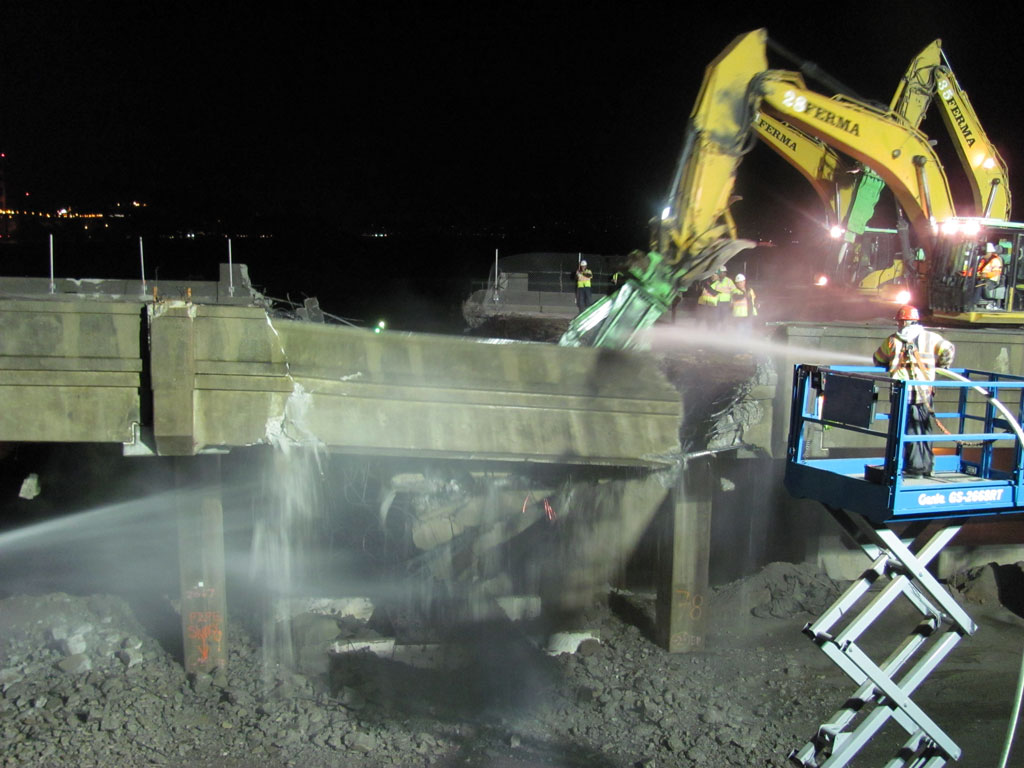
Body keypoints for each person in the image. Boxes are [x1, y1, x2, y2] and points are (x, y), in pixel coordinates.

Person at [872, 305, 955, 478]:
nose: (899, 325)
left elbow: (878, 359)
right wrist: (941, 365)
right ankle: (926, 467)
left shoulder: (892, 341)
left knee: (905, 431)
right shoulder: (931, 338)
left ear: (903, 322)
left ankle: (913, 469)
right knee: (924, 429)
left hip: (902, 395)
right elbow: (948, 349)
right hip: (924, 394)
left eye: (900, 322)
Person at [974, 242, 1004, 309]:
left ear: (990, 252)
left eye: (985, 253)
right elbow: (976, 270)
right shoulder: (983, 260)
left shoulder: (996, 261)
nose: (983, 254)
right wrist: (964, 273)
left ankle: (974, 302)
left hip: (991, 282)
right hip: (983, 279)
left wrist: (986, 275)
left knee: (978, 284)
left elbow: (996, 272)